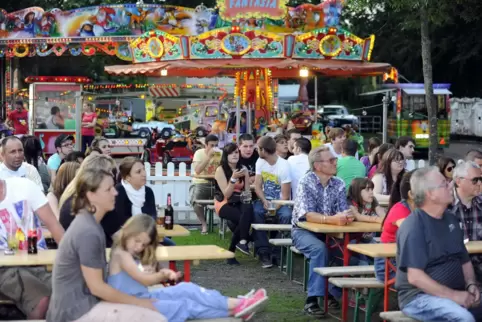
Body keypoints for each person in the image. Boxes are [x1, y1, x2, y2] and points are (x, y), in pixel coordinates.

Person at [47, 168, 166, 322]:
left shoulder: (89, 223)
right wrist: (139, 302)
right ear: (91, 195)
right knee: (156, 318)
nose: (115, 193)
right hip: (74, 313)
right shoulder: (88, 231)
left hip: (80, 306)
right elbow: (97, 288)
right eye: (108, 189)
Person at [107, 215, 268, 321]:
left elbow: (141, 280)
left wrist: (156, 273)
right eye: (137, 241)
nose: (139, 247)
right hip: (131, 306)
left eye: (143, 244)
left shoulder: (131, 253)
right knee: (184, 305)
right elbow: (143, 279)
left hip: (143, 297)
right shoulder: (120, 253)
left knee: (186, 288)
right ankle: (234, 310)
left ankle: (235, 303)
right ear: (128, 232)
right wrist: (162, 274)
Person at [395, 167, 482, 322]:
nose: (451, 185)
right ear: (431, 194)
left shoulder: (451, 219)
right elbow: (415, 278)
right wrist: (454, 296)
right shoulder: (414, 226)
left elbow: (464, 260)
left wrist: (470, 284)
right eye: (444, 184)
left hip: (454, 292)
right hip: (418, 297)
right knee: (463, 318)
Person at [291, 146, 354, 316]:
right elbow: (307, 214)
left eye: (335, 160)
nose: (336, 163)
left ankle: (332, 292)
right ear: (318, 166)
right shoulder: (306, 181)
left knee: (353, 248)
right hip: (303, 231)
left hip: (330, 232)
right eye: (331, 160)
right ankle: (312, 299)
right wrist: (333, 219)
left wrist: (346, 215)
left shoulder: (339, 183)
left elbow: (342, 209)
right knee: (320, 249)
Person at [0, 177, 64, 319]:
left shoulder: (24, 187)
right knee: (41, 301)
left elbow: (53, 224)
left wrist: (72, 260)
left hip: (39, 261)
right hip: (4, 268)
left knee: (67, 295)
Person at [112, 157, 175, 246]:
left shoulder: (148, 191)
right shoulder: (119, 191)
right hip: (124, 237)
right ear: (127, 177)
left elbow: (151, 217)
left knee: (171, 245)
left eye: (144, 170)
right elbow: (122, 221)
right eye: (139, 172)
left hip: (147, 234)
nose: (144, 174)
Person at [253, 136, 292, 268]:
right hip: (265, 199)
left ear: (263, 150)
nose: (257, 150)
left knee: (286, 215)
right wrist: (264, 200)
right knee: (257, 211)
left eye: (258, 148)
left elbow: (285, 196)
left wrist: (275, 207)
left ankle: (279, 252)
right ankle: (264, 252)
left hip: (280, 201)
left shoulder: (284, 166)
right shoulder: (260, 162)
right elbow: (257, 186)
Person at [214, 143, 254, 265]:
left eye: (236, 152)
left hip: (239, 200)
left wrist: (246, 176)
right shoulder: (220, 170)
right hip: (224, 202)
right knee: (243, 219)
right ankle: (244, 240)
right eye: (231, 153)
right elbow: (226, 193)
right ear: (226, 155)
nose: (234, 155)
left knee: (248, 209)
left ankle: (241, 242)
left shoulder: (243, 168)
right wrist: (233, 179)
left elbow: (246, 191)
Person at [58, 155, 116, 237]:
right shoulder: (76, 204)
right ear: (96, 174)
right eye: (109, 171)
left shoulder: (78, 197)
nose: (112, 175)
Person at [374, 171, 414, 282]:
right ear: (412, 194)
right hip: (389, 266)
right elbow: (412, 233)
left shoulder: (418, 209)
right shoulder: (400, 209)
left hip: (403, 260)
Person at [449, 161, 482, 279]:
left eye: (481, 179)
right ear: (458, 181)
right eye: (475, 180)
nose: (479, 183)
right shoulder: (445, 206)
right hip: (454, 266)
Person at [190, 134, 220, 234]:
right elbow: (197, 170)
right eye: (212, 145)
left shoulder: (220, 154)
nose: (214, 148)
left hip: (216, 183)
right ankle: (204, 224)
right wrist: (208, 157)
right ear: (206, 145)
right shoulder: (199, 153)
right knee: (196, 201)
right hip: (201, 182)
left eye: (216, 145)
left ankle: (224, 224)